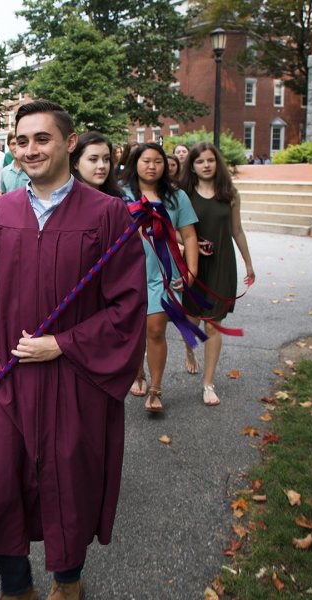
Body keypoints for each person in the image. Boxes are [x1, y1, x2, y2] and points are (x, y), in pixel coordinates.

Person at [0, 100, 146, 600]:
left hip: (74, 379)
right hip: (4, 380)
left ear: (69, 143)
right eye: (21, 140)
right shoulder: (1, 214)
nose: (30, 149)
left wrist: (63, 343)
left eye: (42, 138)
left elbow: (128, 306)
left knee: (69, 485)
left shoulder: (108, 215)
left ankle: (68, 581)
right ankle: (16, 586)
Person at [121, 143, 199, 412]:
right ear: (135, 163)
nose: (152, 166)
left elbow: (189, 236)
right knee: (133, 331)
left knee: (155, 330)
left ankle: (155, 388)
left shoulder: (176, 197)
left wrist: (191, 270)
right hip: (126, 275)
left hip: (164, 276)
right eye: (146, 161)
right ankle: (137, 373)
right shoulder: (121, 195)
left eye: (157, 161)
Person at [180, 143, 255, 405]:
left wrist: (248, 263)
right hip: (194, 265)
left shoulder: (230, 194)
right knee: (190, 323)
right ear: (192, 166)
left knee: (213, 325)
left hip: (222, 265)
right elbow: (175, 230)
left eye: (210, 160)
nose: (206, 165)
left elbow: (238, 230)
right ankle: (189, 350)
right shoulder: (183, 194)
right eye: (200, 162)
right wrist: (190, 245)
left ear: (217, 163)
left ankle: (208, 384)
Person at [69, 131, 123, 198]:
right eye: (93, 159)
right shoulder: (63, 200)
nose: (102, 166)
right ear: (75, 163)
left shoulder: (119, 200)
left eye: (106, 159)